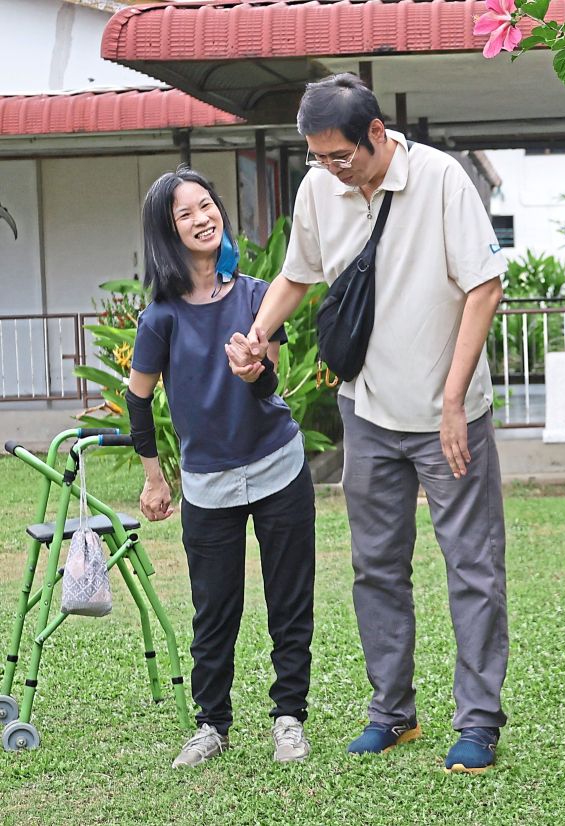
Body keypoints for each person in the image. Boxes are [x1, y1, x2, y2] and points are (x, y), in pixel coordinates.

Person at [227, 73, 508, 773]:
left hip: (451, 415)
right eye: (318, 158)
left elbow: (485, 286)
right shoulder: (320, 188)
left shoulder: (441, 179)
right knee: (376, 567)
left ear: (377, 135)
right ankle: (393, 713)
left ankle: (477, 723)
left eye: (341, 157)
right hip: (368, 409)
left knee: (472, 568)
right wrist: (258, 334)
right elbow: (300, 272)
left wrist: (451, 399)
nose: (329, 170)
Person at [128, 168, 316, 768]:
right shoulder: (160, 317)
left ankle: (289, 716)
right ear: (168, 231)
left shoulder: (259, 296)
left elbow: (273, 388)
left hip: (278, 468)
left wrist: (255, 371)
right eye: (185, 214)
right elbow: (138, 397)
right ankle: (212, 724)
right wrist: (154, 475)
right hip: (207, 484)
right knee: (214, 610)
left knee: (289, 601)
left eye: (206, 206)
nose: (201, 218)